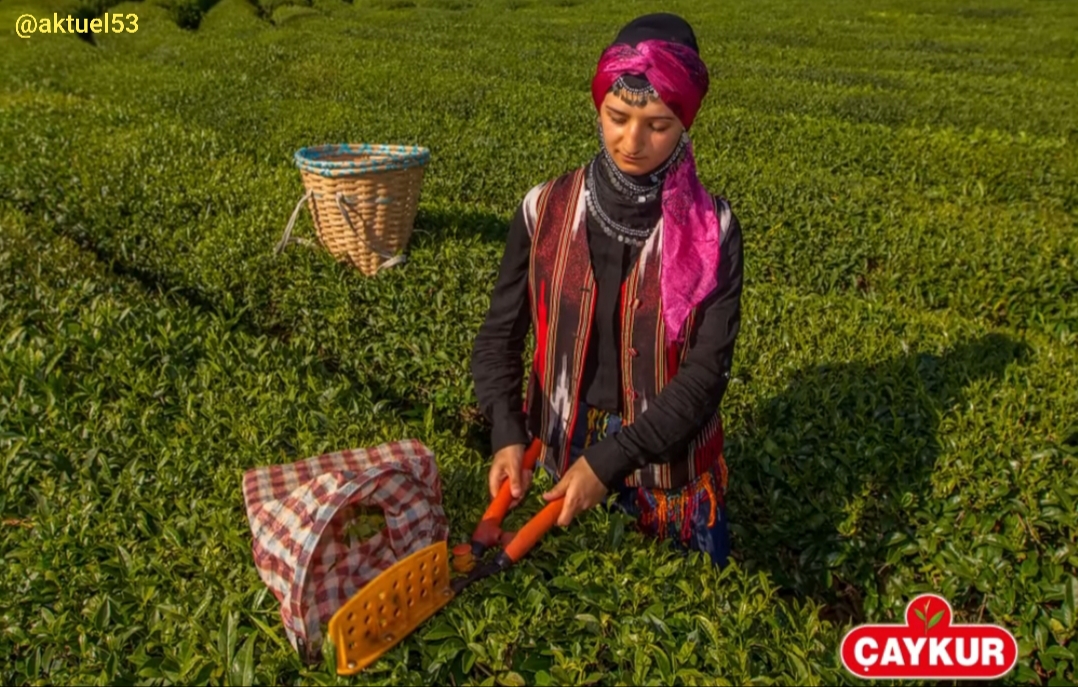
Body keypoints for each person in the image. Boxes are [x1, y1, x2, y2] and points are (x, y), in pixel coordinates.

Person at [470, 12, 744, 568]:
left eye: (658, 124)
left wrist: (611, 459)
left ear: (686, 122)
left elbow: (704, 375)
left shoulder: (714, 229)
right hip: (558, 449)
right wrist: (505, 430)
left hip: (663, 465)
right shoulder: (542, 208)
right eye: (617, 117)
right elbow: (500, 333)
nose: (632, 141)